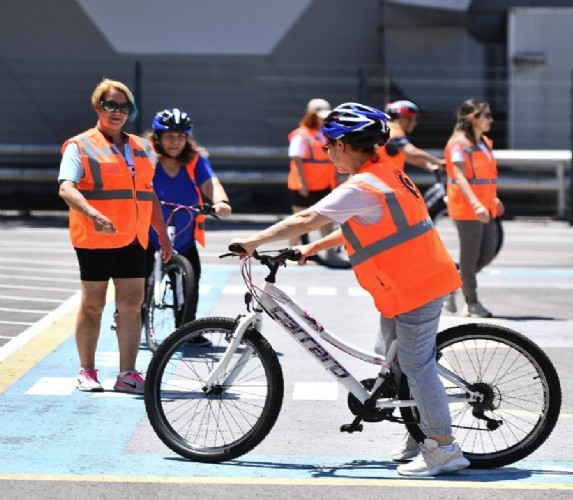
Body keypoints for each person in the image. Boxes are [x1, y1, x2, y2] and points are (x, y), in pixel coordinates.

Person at [229, 102, 469, 477]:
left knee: (416, 366)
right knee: (388, 357)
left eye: (328, 145)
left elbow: (308, 217)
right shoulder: (383, 173)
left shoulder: (363, 184)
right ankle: (417, 430)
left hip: (417, 285)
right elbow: (364, 227)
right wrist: (311, 247)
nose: (326, 152)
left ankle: (443, 448)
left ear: (344, 145)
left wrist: (253, 241)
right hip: (405, 284)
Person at [58, 78, 172, 394]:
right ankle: (87, 371)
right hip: (95, 239)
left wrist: (162, 234)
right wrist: (93, 214)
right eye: (110, 105)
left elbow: (149, 195)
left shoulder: (145, 148)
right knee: (93, 304)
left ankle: (127, 374)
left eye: (123, 106)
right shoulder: (79, 145)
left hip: (134, 238)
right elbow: (66, 188)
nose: (117, 112)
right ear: (98, 107)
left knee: (132, 303)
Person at [146, 108, 232, 346]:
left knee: (190, 277)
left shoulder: (194, 160)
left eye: (181, 136)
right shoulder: (147, 157)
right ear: (157, 137)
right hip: (149, 234)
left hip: (183, 236)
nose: (175, 141)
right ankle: (135, 317)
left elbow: (211, 182)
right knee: (137, 280)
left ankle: (186, 328)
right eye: (169, 135)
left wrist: (220, 202)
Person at [442, 98, 504, 318]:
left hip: (485, 207)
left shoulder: (484, 142)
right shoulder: (458, 144)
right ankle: (472, 303)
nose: (490, 119)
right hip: (467, 208)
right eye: (486, 115)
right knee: (469, 258)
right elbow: (459, 176)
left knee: (487, 253)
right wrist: (476, 203)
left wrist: (493, 198)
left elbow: (486, 176)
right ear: (473, 118)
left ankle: (450, 287)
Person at [286, 98, 336, 247]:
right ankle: (292, 251)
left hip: (325, 183)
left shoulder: (327, 134)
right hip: (305, 185)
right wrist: (303, 182)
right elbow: (296, 158)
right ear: (312, 116)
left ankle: (330, 252)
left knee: (327, 220)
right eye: (320, 117)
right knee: (299, 220)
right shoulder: (301, 135)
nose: (323, 120)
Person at [379, 100, 443, 173]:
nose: (414, 123)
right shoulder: (394, 133)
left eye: (414, 119)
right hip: (384, 179)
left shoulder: (387, 130)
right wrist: (438, 161)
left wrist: (427, 165)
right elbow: (412, 152)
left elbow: (407, 157)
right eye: (409, 118)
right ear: (398, 118)